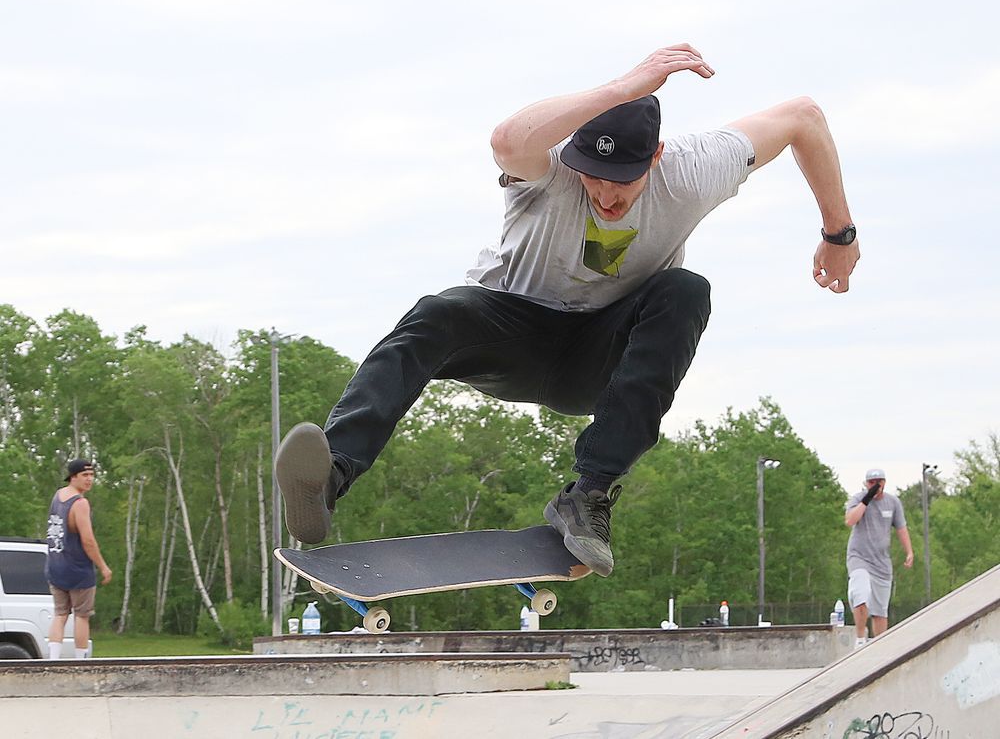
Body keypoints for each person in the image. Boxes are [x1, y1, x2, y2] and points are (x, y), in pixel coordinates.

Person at [276, 43, 859, 576]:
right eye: (594, 178)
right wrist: (623, 86)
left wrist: (839, 232)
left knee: (686, 290)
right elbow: (506, 138)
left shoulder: (694, 169)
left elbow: (802, 117)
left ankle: (589, 497)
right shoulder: (549, 166)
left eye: (622, 184)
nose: (605, 195)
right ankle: (331, 475)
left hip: (600, 353)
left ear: (655, 158)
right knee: (437, 312)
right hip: (511, 334)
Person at [44, 459, 113, 659]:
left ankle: (53, 660)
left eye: (92, 475)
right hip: (77, 569)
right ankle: (81, 660)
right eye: (85, 475)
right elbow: (88, 541)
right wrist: (103, 566)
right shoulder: (80, 503)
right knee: (82, 616)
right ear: (73, 477)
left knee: (60, 614)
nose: (89, 480)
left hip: (55, 565)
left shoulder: (58, 496)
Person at [844, 468, 913, 648]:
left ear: (884, 483)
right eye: (872, 482)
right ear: (867, 484)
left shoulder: (892, 502)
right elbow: (850, 520)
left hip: (881, 561)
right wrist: (867, 499)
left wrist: (909, 552)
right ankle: (860, 638)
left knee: (879, 610)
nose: (876, 486)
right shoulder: (858, 499)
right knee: (860, 594)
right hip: (859, 556)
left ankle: (879, 646)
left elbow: (901, 528)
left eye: (879, 482)